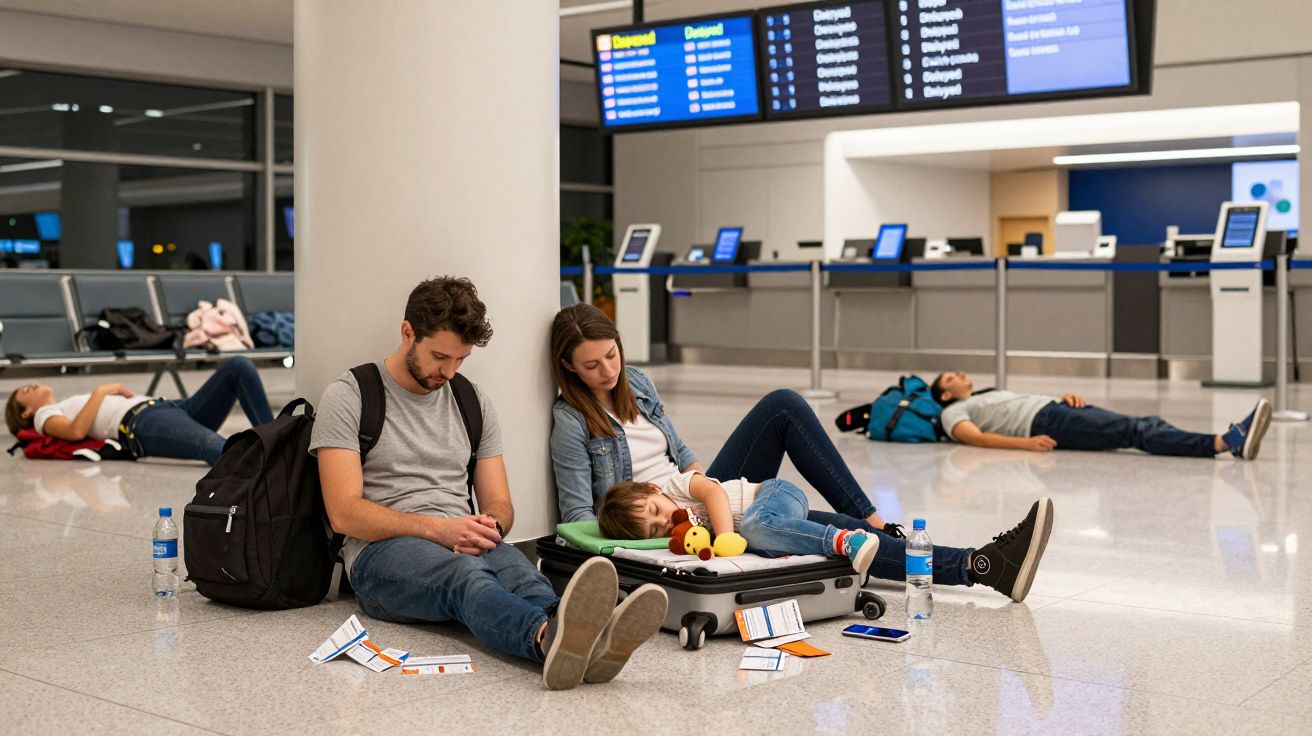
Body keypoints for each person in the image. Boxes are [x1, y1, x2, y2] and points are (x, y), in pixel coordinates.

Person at [548, 304, 1053, 600]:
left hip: (697, 497)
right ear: (569, 369)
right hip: (657, 518)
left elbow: (681, 453)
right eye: (590, 366)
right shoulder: (571, 423)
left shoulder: (637, 381)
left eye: (611, 354)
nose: (608, 371)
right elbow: (578, 519)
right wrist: (668, 532)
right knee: (823, 534)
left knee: (785, 407)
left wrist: (702, 491)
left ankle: (874, 521)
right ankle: (980, 566)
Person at [310, 276, 667, 691]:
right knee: (467, 577)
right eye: (439, 356)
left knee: (524, 577)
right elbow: (343, 513)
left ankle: (590, 638)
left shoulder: (471, 400)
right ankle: (546, 639)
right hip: (380, 556)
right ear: (407, 332)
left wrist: (490, 526)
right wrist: (439, 529)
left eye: (460, 359)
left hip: (459, 534)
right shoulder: (350, 395)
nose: (449, 370)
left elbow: (500, 504)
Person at [597, 470, 1054, 603]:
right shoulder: (670, 533)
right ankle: (985, 565)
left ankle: (840, 543)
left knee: (756, 528)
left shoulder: (676, 487)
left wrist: (720, 540)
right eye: (655, 527)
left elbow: (714, 492)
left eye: (656, 511)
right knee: (866, 545)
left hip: (772, 497)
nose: (664, 521)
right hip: (778, 528)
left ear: (654, 490)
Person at [930, 371, 1273, 460]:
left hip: (1055, 410)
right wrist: (1025, 443)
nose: (959, 375)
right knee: (1135, 430)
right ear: (945, 395)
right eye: (951, 378)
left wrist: (1061, 398)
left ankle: (1222, 442)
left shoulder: (984, 393)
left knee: (1136, 427)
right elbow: (973, 438)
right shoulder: (953, 411)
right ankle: (1223, 442)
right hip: (1046, 424)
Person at [5, 356, 273, 465]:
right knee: (212, 445)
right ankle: (269, 468)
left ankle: (276, 440)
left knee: (237, 367)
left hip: (167, 407)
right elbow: (75, 432)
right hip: (143, 422)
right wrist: (101, 391)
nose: (35, 384)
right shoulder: (44, 418)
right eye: (28, 390)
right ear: (27, 412)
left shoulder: (61, 406)